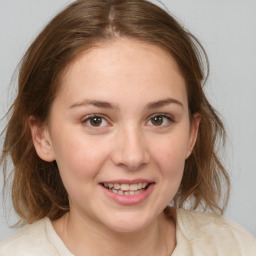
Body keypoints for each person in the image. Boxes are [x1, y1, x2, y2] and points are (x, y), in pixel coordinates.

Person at [0, 0, 255, 255]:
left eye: (158, 119)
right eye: (95, 120)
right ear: (43, 136)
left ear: (191, 133)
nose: (132, 156)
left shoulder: (237, 247)